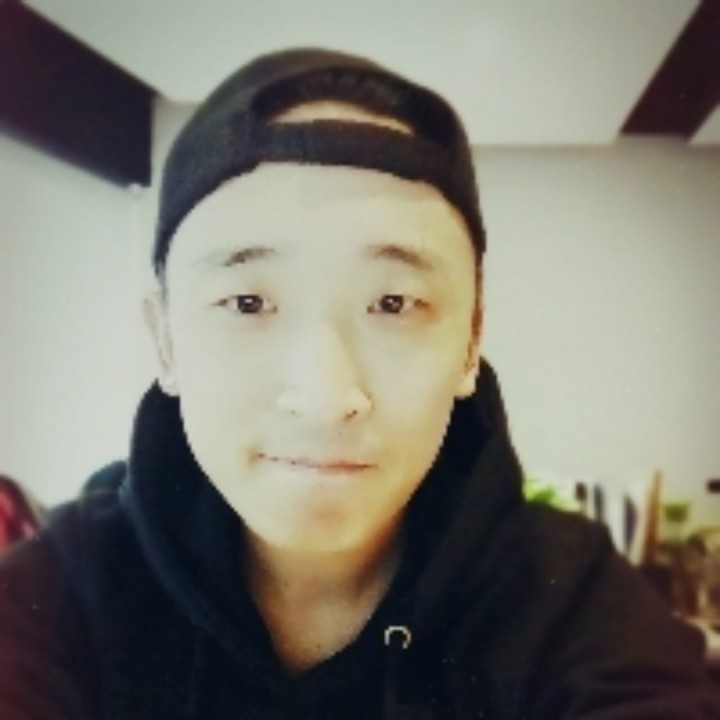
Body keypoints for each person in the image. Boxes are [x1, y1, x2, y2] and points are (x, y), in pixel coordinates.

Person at [0, 48, 717, 720]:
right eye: (247, 302)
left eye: (394, 303)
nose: (324, 398)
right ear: (165, 341)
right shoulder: (61, 596)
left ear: (471, 344)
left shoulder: (574, 604)